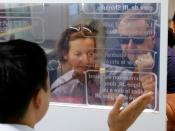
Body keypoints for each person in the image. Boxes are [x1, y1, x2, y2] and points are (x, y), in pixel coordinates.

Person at [0, 39, 153, 131]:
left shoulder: (117, 74)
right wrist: (117, 129)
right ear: (39, 99)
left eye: (91, 53)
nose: (86, 60)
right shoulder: (62, 85)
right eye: (78, 54)